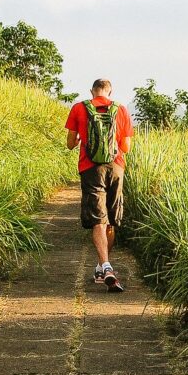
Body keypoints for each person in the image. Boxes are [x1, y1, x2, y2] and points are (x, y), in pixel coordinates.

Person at [65, 78, 133, 291]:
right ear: (110, 91)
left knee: (98, 219)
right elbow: (126, 147)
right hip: (116, 168)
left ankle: (105, 267)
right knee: (110, 219)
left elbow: (69, 143)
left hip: (90, 167)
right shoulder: (121, 109)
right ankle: (101, 267)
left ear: (92, 91)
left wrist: (80, 140)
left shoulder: (78, 108)